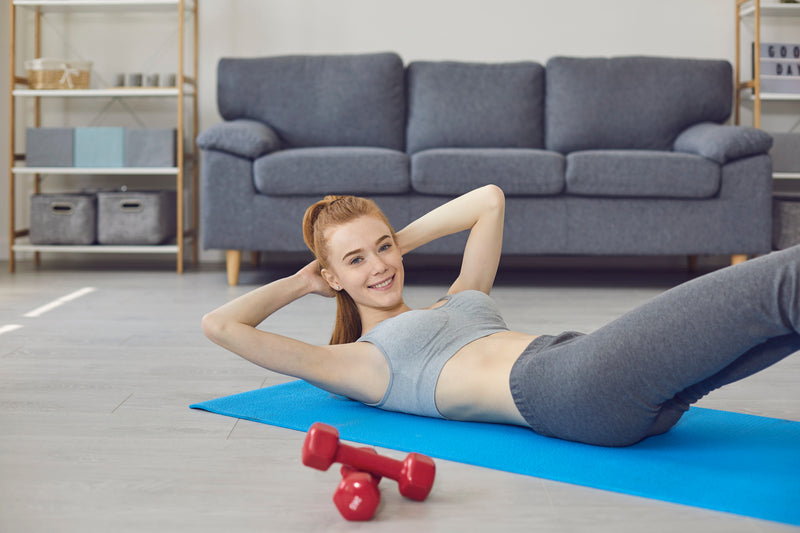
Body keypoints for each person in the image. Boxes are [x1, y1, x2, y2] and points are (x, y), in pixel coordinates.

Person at [202, 185, 800, 447]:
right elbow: (221, 325)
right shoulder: (359, 363)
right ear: (332, 276)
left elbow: (488, 200)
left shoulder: (462, 296)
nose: (381, 266)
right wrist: (308, 280)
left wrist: (379, 249)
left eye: (384, 247)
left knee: (785, 314)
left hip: (582, 364)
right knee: (782, 283)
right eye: (356, 261)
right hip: (569, 388)